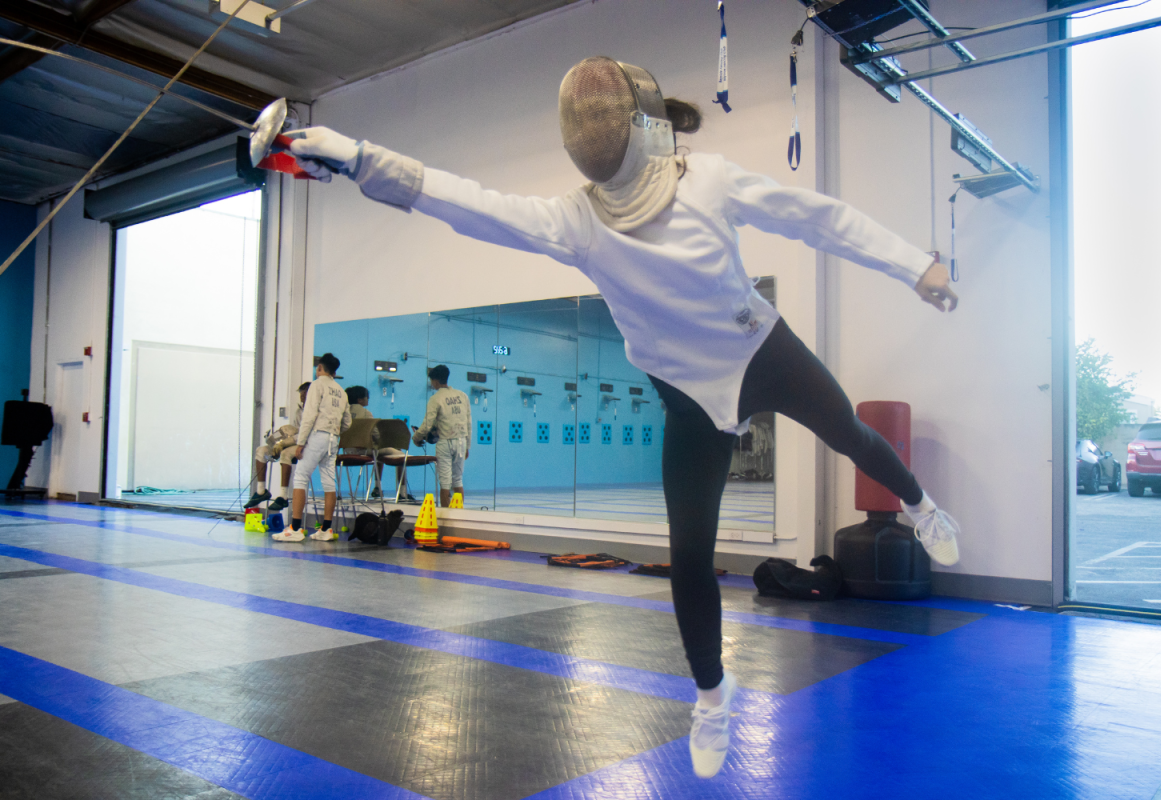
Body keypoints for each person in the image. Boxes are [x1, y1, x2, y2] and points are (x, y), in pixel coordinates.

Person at [286, 56, 962, 778]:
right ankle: (711, 697)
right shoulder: (576, 220)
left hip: (761, 347)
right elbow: (469, 202)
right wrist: (360, 160)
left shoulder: (710, 179)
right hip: (685, 394)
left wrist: (911, 264)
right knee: (690, 554)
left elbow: (817, 218)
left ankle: (923, 510)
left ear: (641, 126)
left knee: (851, 435)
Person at [272, 353, 351, 542]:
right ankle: (326, 529)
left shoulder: (316, 385)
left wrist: (301, 443)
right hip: (334, 439)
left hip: (317, 436)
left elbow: (308, 416)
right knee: (329, 482)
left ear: (320, 368)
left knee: (301, 477)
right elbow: (347, 422)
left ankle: (295, 529)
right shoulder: (341, 391)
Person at [411, 365, 470, 507]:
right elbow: (469, 424)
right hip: (461, 441)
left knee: (444, 482)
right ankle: (459, 514)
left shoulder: (435, 398)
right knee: (458, 481)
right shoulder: (462, 396)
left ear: (435, 381)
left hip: (445, 442)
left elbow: (426, 425)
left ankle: (446, 516)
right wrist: (468, 445)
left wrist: (416, 438)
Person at [246, 382, 309, 511]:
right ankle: (261, 491)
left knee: (286, 454)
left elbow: (305, 434)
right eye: (301, 394)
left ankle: (283, 496)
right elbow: (296, 430)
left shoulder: (315, 411)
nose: (302, 397)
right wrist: (279, 440)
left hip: (306, 445)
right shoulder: (299, 411)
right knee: (261, 451)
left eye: (305, 394)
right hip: (294, 442)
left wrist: (284, 444)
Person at [344, 385, 408, 500]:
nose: (368, 400)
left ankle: (377, 488)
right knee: (400, 453)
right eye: (367, 397)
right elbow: (376, 435)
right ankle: (402, 492)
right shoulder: (366, 413)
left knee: (378, 451)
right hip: (363, 451)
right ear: (360, 400)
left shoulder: (344, 412)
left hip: (347, 451)